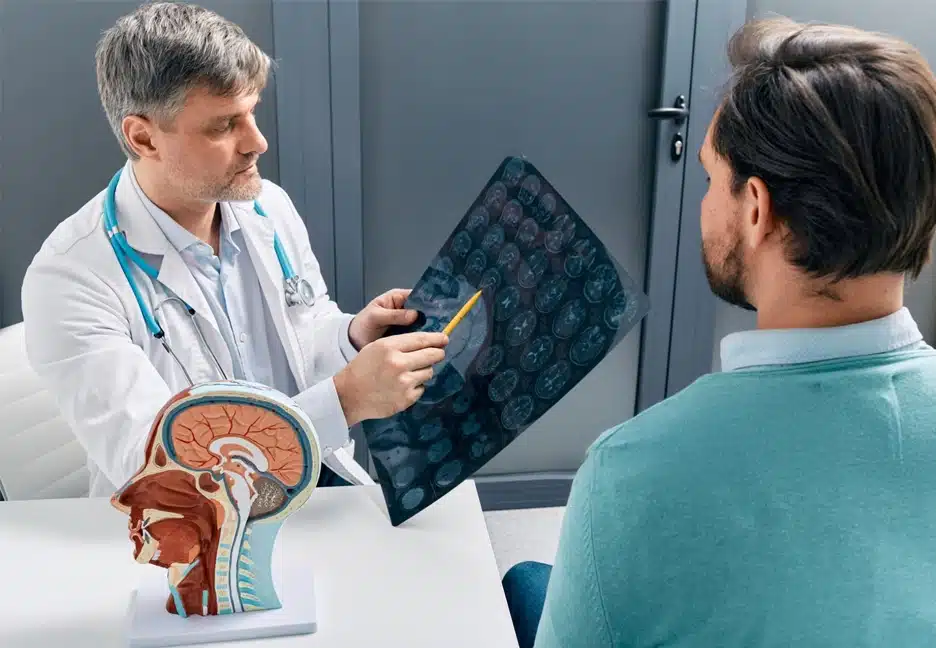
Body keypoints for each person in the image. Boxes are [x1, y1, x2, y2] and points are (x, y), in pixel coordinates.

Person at [502, 17, 936, 648]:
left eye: (710, 178)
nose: (705, 203)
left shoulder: (634, 471)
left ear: (756, 209)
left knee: (524, 582)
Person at [20, 2, 448, 498]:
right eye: (224, 126)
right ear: (143, 137)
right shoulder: (71, 278)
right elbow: (159, 469)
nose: (258, 142)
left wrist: (352, 337)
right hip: (194, 530)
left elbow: (303, 336)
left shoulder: (267, 207)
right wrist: (345, 401)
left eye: (252, 112)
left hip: (312, 486)